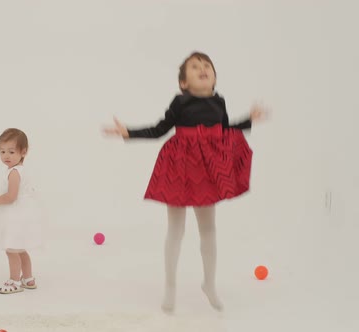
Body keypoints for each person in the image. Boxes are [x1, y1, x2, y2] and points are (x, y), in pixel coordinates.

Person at [102, 52, 268, 312]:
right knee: (176, 229)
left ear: (214, 78)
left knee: (208, 228)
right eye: (195, 67)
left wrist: (248, 119)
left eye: (207, 66)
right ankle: (170, 287)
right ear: (183, 83)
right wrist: (129, 132)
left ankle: (209, 284)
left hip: (207, 170)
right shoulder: (180, 102)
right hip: (179, 166)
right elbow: (159, 129)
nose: (203, 69)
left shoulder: (219, 101)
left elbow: (225, 130)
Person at [0, 128, 44, 294]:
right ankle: (28, 278)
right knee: (21, 248)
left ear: (23, 152)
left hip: (16, 216)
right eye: (3, 151)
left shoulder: (14, 173)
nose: (6, 156)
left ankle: (14, 280)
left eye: (11, 152)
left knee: (11, 249)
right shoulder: (20, 170)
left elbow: (12, 196)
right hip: (24, 215)